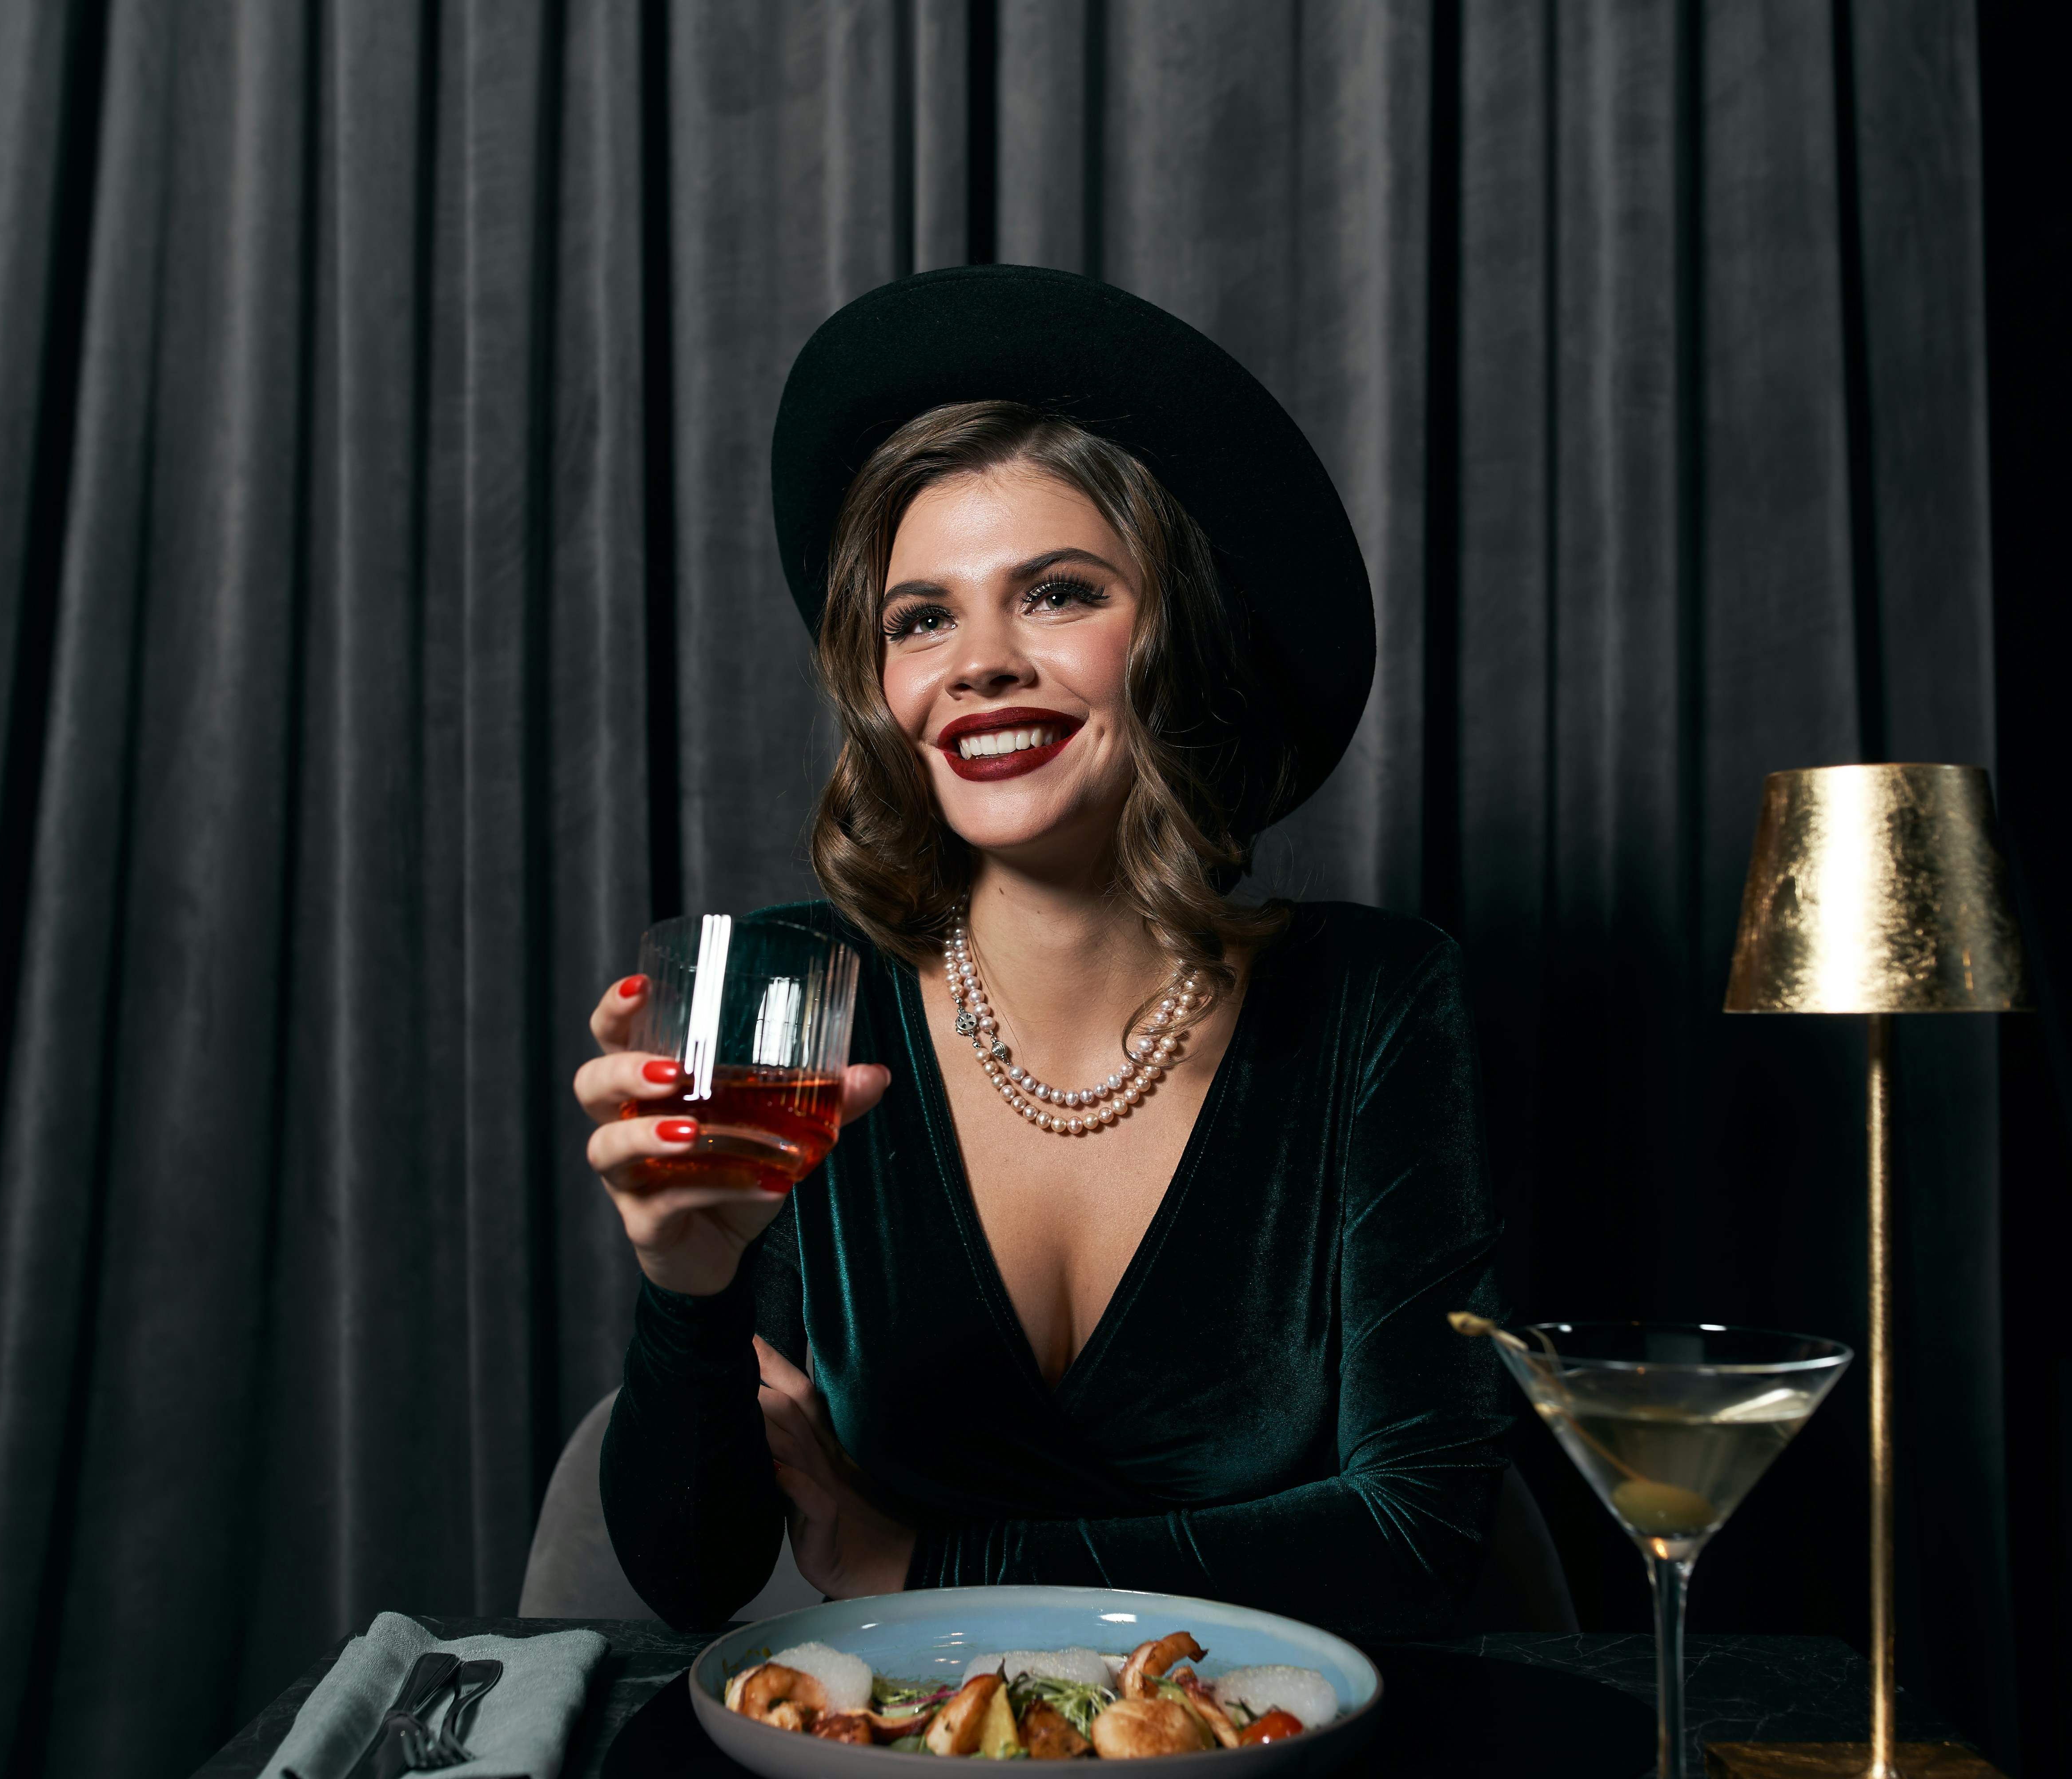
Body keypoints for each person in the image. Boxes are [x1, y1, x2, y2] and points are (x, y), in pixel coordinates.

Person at [579, 266, 1507, 1642]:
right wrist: (687, 1293)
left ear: (1179, 640)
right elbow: (692, 1574)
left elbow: (1421, 1537)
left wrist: (923, 1563)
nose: (978, 664)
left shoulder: (1375, 1000)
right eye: (921, 618)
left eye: (1059, 594)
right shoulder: (787, 991)